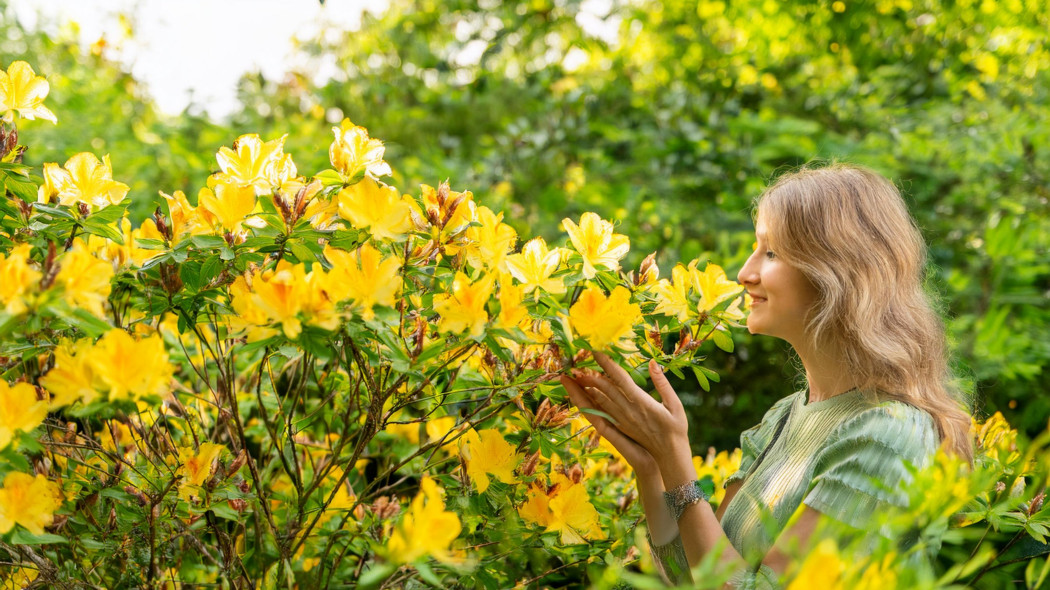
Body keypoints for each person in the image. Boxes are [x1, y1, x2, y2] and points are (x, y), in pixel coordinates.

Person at [561, 163, 973, 587]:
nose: (745, 273)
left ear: (837, 272)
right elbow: (692, 577)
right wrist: (652, 467)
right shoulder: (786, 415)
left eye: (771, 252)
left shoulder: (889, 435)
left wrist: (677, 461)